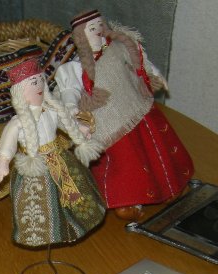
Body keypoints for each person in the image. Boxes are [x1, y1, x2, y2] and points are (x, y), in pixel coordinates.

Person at [55, 9, 193, 219]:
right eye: (92, 29)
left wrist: (156, 75)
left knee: (157, 149)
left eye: (100, 25)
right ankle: (130, 201)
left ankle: (171, 185)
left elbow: (140, 62)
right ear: (81, 36)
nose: (98, 30)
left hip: (137, 108)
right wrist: (71, 107)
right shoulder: (75, 67)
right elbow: (69, 90)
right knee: (127, 163)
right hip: (111, 123)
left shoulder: (118, 47)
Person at [0, 59, 106, 249]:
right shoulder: (17, 122)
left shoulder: (52, 111)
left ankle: (73, 227)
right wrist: (2, 162)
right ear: (20, 92)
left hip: (60, 158)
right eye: (33, 82)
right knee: (40, 204)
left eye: (40, 80)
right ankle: (47, 233)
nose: (38, 85)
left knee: (77, 192)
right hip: (34, 168)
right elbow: (7, 145)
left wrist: (79, 128)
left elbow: (66, 123)